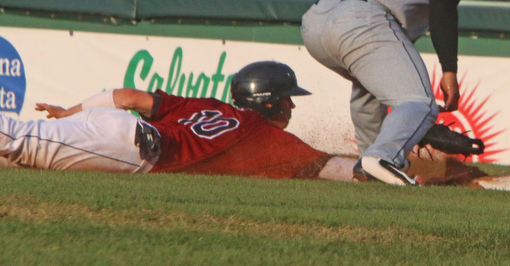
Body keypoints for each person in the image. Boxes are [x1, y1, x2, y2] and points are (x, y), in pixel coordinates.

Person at [301, 0, 475, 186]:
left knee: (369, 91)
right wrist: (449, 69)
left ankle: (371, 166)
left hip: (315, 23)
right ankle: (383, 157)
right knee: (420, 103)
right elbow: (443, 5)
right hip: (361, 18)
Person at [0, 61, 356, 181]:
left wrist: (68, 112)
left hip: (111, 123)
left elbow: (125, 98)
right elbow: (336, 168)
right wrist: (389, 166)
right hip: (132, 147)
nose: (292, 105)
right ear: (266, 101)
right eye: (285, 97)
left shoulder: (207, 104)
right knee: (14, 140)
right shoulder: (264, 136)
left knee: (13, 152)